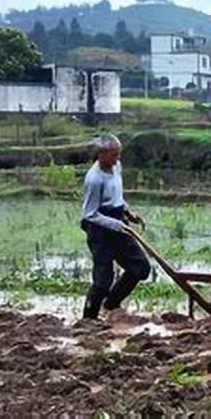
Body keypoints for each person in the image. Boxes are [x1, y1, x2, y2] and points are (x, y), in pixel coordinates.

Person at [80, 133, 150, 320]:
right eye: (114, 155)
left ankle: (111, 304)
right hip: (100, 231)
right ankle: (88, 318)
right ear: (101, 155)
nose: (117, 158)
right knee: (102, 281)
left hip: (118, 223)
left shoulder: (116, 167)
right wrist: (115, 223)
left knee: (141, 268)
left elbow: (116, 197)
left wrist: (128, 212)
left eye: (119, 154)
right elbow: (89, 214)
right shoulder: (94, 179)